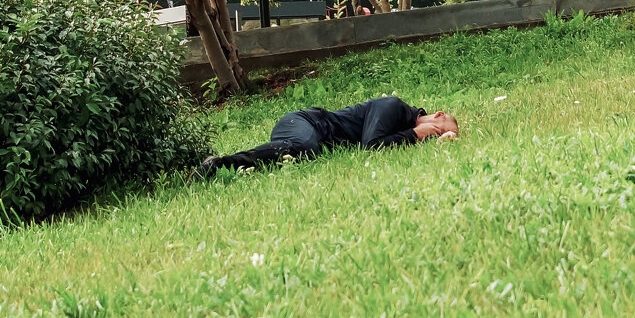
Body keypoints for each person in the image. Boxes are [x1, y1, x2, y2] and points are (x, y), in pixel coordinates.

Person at [191, 96, 458, 180]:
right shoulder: (394, 106)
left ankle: (239, 168)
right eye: (442, 128)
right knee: (304, 147)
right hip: (306, 122)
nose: (438, 134)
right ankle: (218, 164)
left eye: (442, 136)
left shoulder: (401, 125)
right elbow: (372, 146)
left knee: (302, 154)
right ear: (438, 114)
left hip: (313, 137)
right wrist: (414, 133)